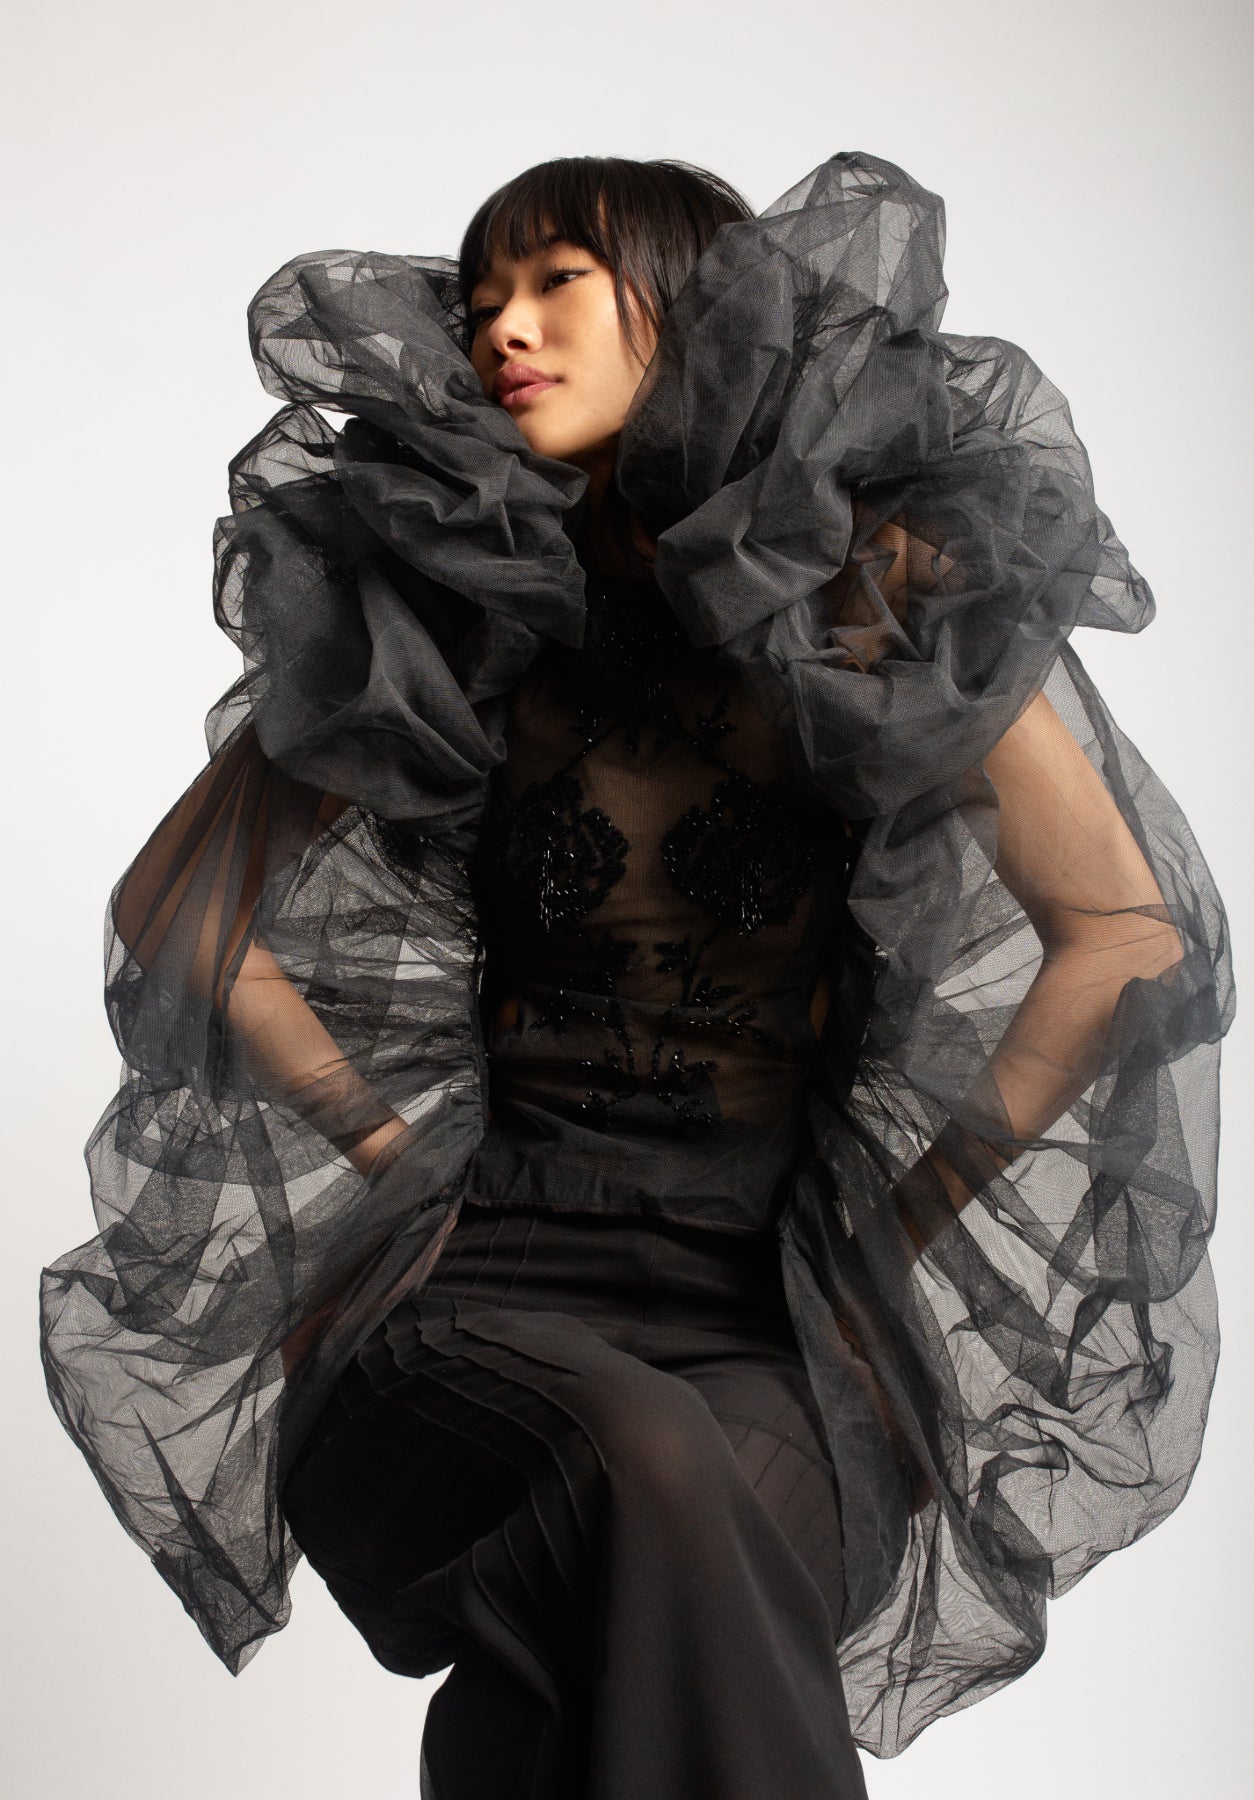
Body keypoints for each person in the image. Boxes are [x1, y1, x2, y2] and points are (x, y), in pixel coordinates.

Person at [40, 150, 1232, 1797]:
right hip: (470, 1299)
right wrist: (391, 1159)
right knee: (643, 1471)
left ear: (689, 308)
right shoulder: (447, 616)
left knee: (594, 1655)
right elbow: (180, 915)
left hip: (766, 1324)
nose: (501, 331)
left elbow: (1119, 929)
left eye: (555, 284)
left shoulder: (862, 596)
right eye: (481, 301)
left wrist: (901, 1221)